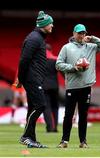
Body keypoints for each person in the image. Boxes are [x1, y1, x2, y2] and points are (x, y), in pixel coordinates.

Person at [56, 24, 100, 148]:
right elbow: (58, 64)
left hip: (86, 86)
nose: (81, 35)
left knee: (83, 115)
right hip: (71, 86)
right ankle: (64, 141)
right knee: (68, 115)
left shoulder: (91, 47)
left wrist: (93, 38)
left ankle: (83, 141)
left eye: (83, 33)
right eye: (79, 33)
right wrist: (73, 68)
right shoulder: (66, 47)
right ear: (74, 33)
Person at [15, 11, 54, 148]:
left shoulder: (37, 37)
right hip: (32, 78)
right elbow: (24, 60)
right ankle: (26, 136)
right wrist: (20, 79)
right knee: (41, 105)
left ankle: (31, 138)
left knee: (33, 107)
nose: (52, 26)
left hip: (34, 78)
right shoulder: (34, 38)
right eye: (50, 23)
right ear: (43, 24)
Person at [43, 43, 60, 133]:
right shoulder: (55, 59)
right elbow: (62, 71)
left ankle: (49, 127)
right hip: (54, 86)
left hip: (43, 86)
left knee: (46, 107)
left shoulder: (40, 60)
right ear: (51, 50)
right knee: (55, 107)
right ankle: (55, 127)